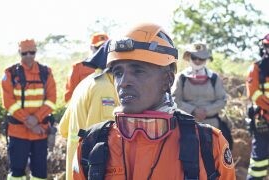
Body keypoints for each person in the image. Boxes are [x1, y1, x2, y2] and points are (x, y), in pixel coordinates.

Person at [72, 23, 236, 180]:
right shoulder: (90, 146)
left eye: (138, 71)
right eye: (118, 72)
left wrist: (206, 111)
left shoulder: (209, 145)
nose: (123, 82)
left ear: (168, 79)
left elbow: (222, 100)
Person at [58, 40, 119, 180]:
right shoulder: (105, 88)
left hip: (77, 166)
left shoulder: (85, 82)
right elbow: (102, 135)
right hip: (89, 169)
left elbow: (63, 128)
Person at [1, 39, 56, 180]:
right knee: (16, 172)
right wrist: (31, 122)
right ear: (19, 52)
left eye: (32, 52)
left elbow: (51, 100)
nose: (29, 56)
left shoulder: (46, 72)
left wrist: (36, 119)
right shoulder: (10, 73)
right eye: (25, 53)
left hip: (40, 132)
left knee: (40, 173)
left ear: (36, 52)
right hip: (18, 132)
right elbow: (9, 103)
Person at [171, 43, 233, 149]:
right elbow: (175, 99)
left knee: (214, 154)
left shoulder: (214, 78)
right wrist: (193, 110)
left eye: (201, 58)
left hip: (212, 125)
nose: (197, 61)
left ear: (206, 59)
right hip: (186, 124)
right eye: (195, 57)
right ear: (189, 57)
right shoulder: (181, 77)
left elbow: (222, 100)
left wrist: (206, 111)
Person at [246, 34, 269, 179]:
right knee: (259, 160)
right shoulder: (256, 68)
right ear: (264, 47)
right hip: (263, 120)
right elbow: (253, 93)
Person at [64, 33, 109, 103]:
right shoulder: (78, 67)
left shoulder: (114, 67)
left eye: (104, 48)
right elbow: (70, 96)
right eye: (98, 47)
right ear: (91, 47)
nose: (101, 51)